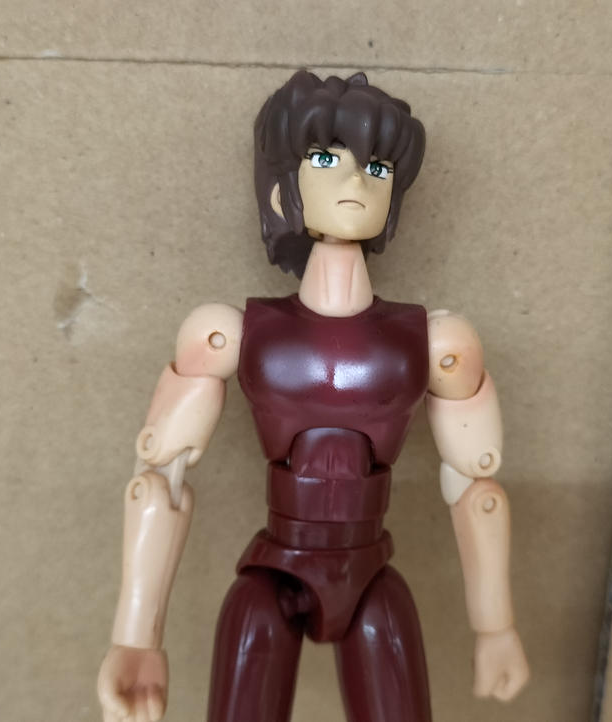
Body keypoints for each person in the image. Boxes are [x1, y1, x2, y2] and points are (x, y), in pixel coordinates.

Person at [98, 70, 529, 722]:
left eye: (377, 167)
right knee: (251, 647)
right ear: (284, 186)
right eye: (327, 159)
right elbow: (158, 478)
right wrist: (135, 636)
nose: (357, 181)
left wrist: (496, 626)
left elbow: (479, 489)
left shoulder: (434, 341)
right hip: (272, 576)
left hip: (372, 579)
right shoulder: (234, 333)